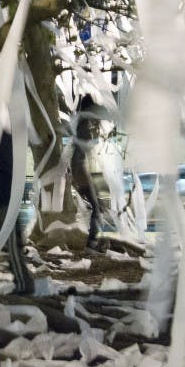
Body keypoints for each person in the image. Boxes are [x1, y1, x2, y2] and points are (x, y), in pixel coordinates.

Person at [0, 131, 34, 295]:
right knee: (10, 244)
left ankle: (24, 284)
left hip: (5, 199)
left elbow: (3, 168)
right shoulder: (0, 138)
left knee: (13, 246)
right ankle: (22, 281)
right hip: (1, 199)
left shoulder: (2, 138)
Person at [70, 95, 105, 254]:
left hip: (80, 169)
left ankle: (91, 240)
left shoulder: (80, 122)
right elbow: (80, 150)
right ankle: (91, 242)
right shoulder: (83, 125)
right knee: (96, 207)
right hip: (80, 170)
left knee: (94, 206)